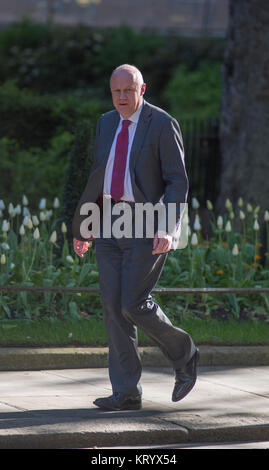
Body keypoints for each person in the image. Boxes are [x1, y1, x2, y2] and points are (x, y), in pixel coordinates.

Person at [72, 64, 199, 411]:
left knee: (132, 303)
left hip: (147, 221)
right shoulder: (106, 123)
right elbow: (100, 174)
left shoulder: (161, 124)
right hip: (109, 221)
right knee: (113, 307)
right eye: (117, 91)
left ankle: (185, 355)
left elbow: (177, 182)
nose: (123, 97)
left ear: (142, 90)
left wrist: (168, 227)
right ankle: (126, 392)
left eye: (129, 90)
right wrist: (85, 225)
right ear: (111, 92)